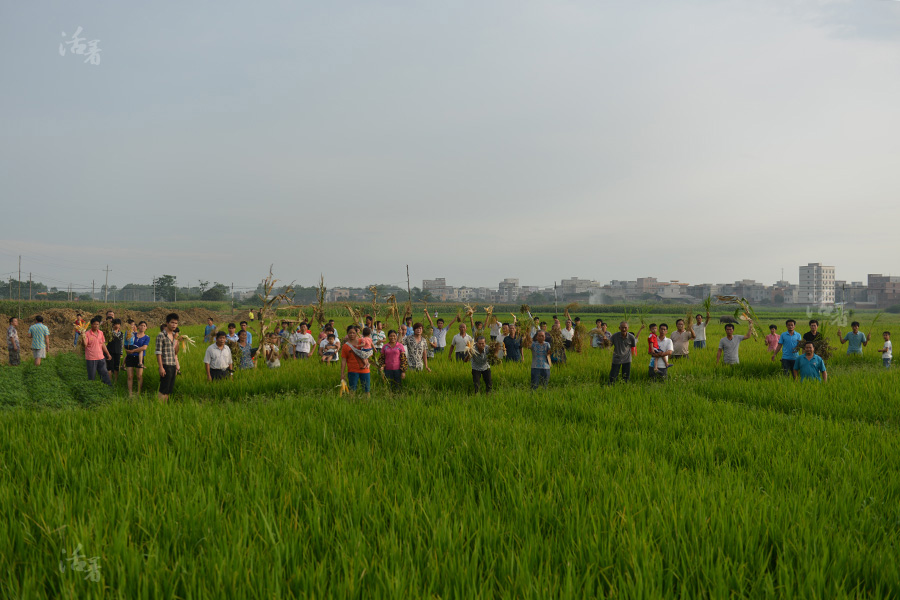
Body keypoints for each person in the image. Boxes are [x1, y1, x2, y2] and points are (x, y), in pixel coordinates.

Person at [82, 317, 113, 386]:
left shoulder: (101, 333)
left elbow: (102, 344)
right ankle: (91, 389)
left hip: (101, 357)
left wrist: (108, 354)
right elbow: (85, 345)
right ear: (91, 325)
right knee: (92, 376)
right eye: (94, 324)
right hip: (91, 358)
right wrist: (83, 337)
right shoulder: (87, 333)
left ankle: (108, 387)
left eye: (97, 324)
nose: (96, 326)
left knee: (104, 374)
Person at [340, 327, 371, 396]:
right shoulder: (345, 346)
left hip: (365, 370)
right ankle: (352, 404)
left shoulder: (362, 342)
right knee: (352, 390)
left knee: (367, 390)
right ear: (347, 334)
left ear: (357, 333)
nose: (352, 334)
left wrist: (368, 362)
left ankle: (368, 404)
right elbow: (343, 360)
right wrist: (342, 373)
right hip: (352, 370)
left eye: (353, 333)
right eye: (350, 333)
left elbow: (368, 352)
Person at [156, 313, 179, 401]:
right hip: (165, 365)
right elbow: (158, 352)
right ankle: (159, 407)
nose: (174, 325)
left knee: (169, 389)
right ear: (167, 323)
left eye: (176, 323)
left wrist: (176, 367)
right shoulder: (161, 335)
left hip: (173, 365)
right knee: (163, 388)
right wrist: (161, 367)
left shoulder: (174, 336)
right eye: (172, 322)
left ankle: (165, 408)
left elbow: (175, 352)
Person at [124, 321, 149, 396]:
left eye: (144, 326)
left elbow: (144, 347)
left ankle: (139, 392)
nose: (142, 327)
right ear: (138, 327)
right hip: (130, 357)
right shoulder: (133, 334)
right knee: (130, 376)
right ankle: (130, 393)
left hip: (139, 358)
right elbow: (126, 342)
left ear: (146, 328)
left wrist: (133, 350)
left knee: (139, 376)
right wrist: (126, 350)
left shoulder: (147, 337)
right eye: (141, 325)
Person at [106, 318, 124, 384]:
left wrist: (121, 352)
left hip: (118, 352)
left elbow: (121, 343)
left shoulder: (121, 334)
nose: (117, 325)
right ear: (113, 325)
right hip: (110, 351)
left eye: (118, 324)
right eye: (116, 324)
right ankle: (110, 381)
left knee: (116, 366)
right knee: (109, 366)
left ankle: (116, 381)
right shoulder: (109, 333)